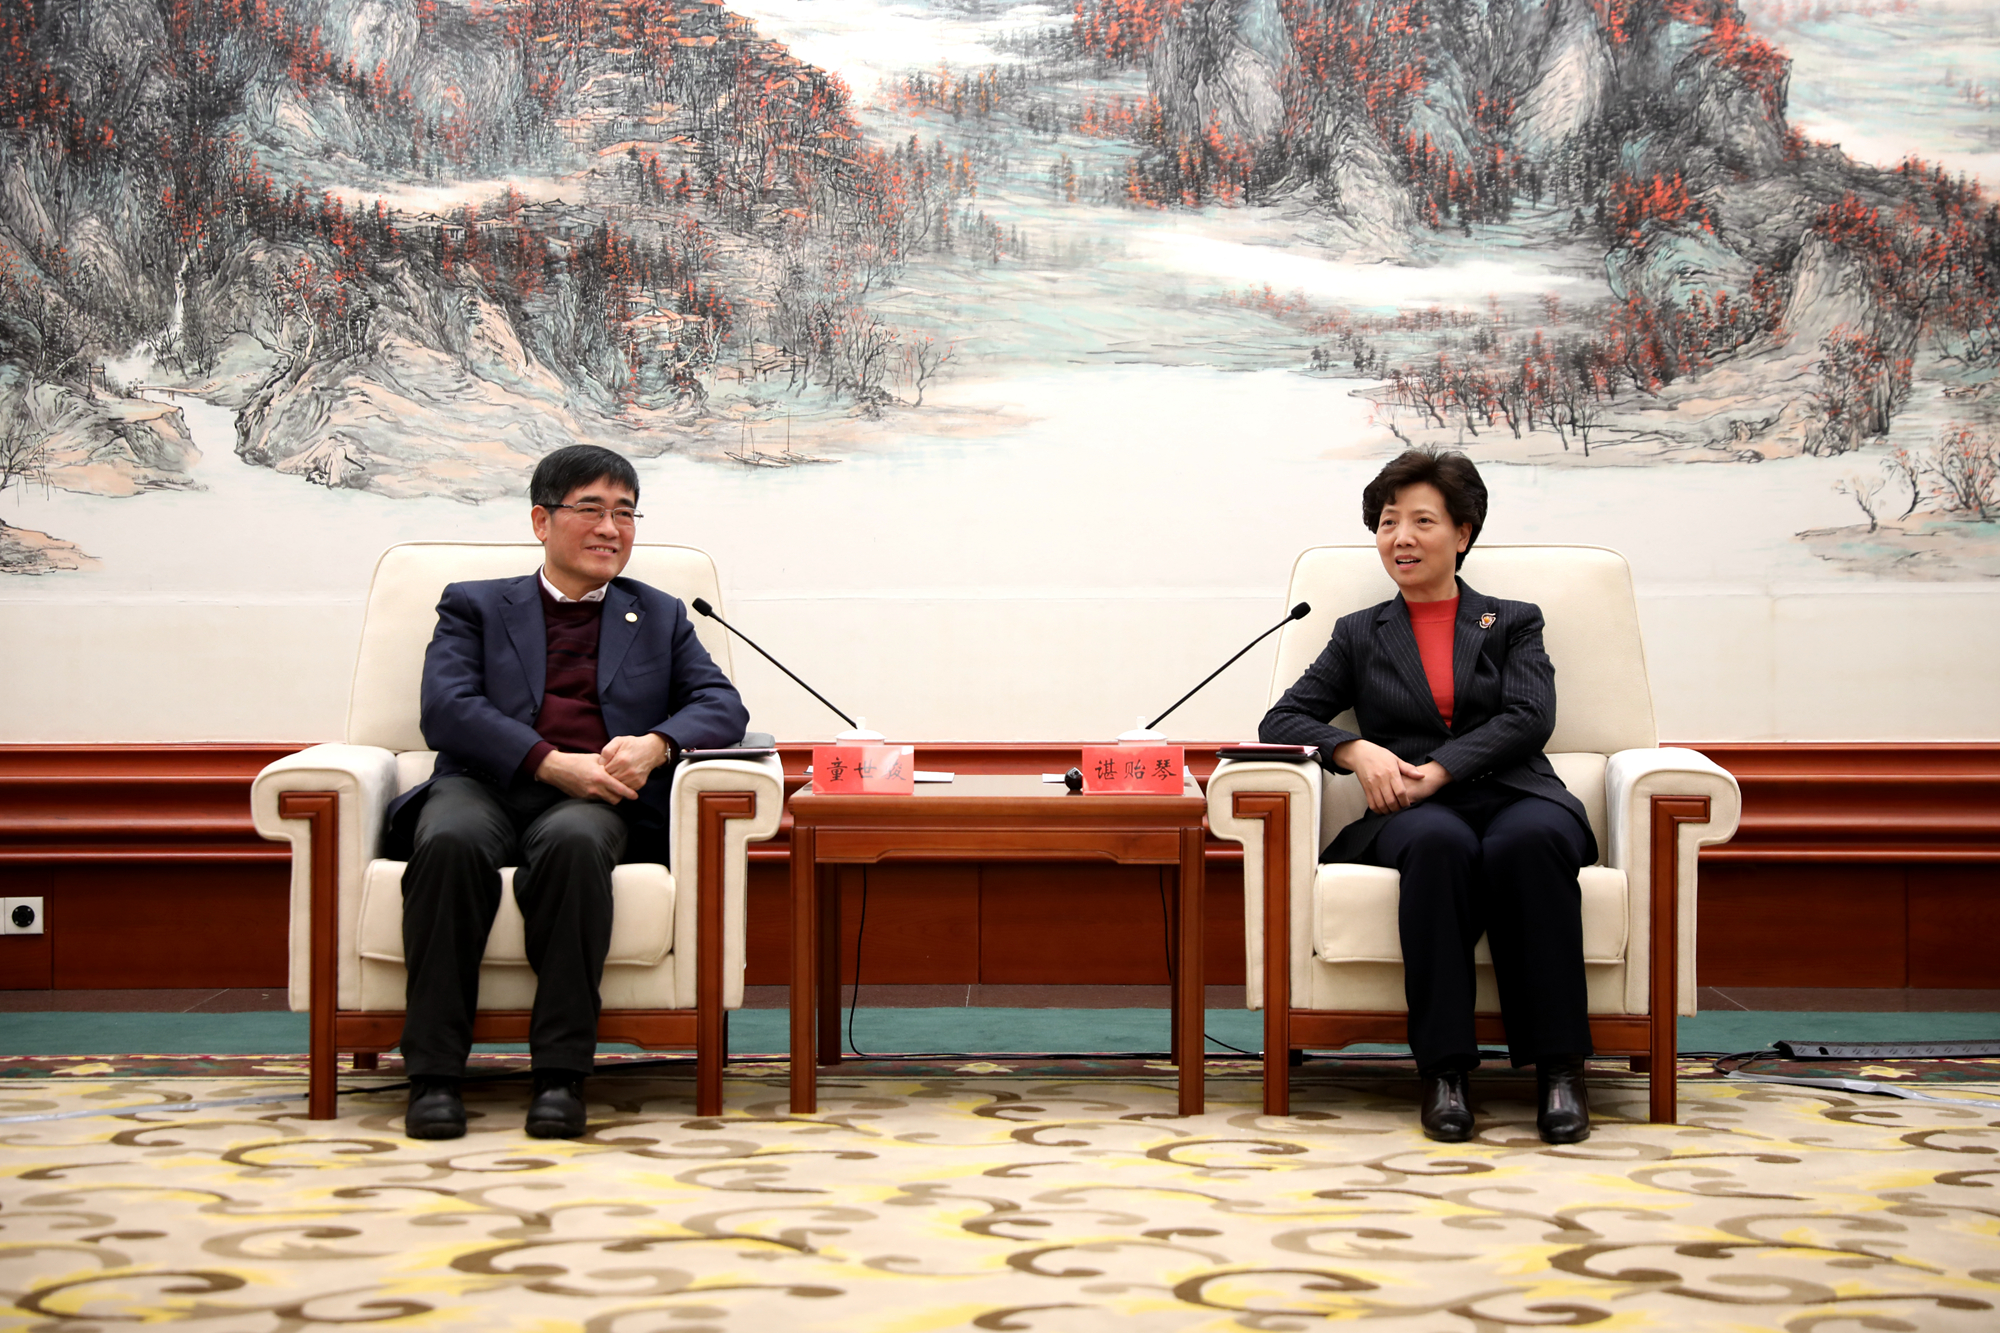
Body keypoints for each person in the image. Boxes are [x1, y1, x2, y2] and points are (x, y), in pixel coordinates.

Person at [385, 444, 750, 1141]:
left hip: (593, 801)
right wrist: (548, 762)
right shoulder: (475, 604)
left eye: (625, 513)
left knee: (577, 846)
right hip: (482, 784)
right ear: (541, 520)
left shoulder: (661, 614)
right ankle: (434, 1075)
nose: (611, 528)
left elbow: (721, 705)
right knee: (450, 840)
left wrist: (656, 744)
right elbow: (447, 709)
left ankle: (560, 1075)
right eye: (591, 509)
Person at [1260, 449, 1597, 1144]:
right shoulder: (1360, 633)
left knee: (1530, 842)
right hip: (1416, 811)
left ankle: (1560, 1069)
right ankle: (1444, 1071)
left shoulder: (1513, 621)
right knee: (1439, 846)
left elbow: (1529, 716)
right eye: (1388, 523)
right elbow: (1282, 719)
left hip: (1515, 793)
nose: (1401, 538)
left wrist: (1442, 766)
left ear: (1462, 533)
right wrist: (1354, 749)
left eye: (1421, 521)